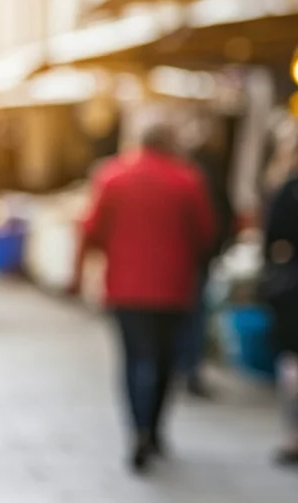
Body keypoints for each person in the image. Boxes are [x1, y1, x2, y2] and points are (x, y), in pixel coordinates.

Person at [70, 122, 215, 474]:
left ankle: (138, 428)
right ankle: (154, 427)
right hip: (173, 286)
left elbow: (90, 229)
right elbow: (205, 232)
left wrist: (77, 274)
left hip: (126, 286)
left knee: (135, 358)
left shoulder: (113, 176)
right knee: (165, 360)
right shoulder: (187, 179)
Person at [180, 124, 235, 399]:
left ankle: (183, 367)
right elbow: (212, 223)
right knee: (193, 316)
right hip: (194, 260)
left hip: (184, 262)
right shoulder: (197, 179)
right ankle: (189, 368)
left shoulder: (191, 180)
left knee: (188, 317)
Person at [261, 142, 298, 466]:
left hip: (292, 288)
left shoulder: (288, 189)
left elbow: (272, 239)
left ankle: (293, 436)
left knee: (292, 362)